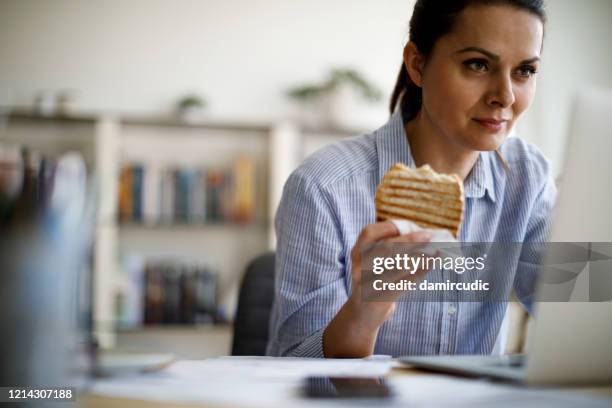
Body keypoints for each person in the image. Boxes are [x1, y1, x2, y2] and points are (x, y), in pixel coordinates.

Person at [267, 0, 555, 358]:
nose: (505, 96)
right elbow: (292, 370)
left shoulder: (529, 179)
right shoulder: (323, 187)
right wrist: (364, 313)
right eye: (478, 64)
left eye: (525, 71)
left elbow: (580, 321)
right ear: (418, 64)